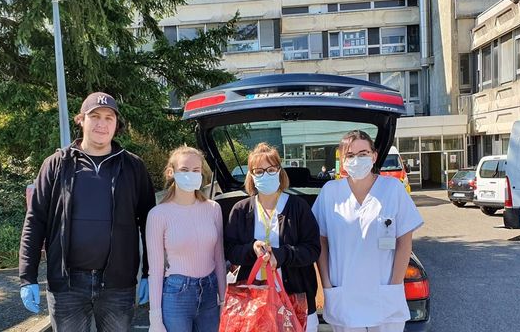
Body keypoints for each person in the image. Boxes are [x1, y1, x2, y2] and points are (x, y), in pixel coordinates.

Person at [19, 92, 156, 331]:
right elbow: (35, 220)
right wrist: (27, 277)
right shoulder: (56, 164)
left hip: (118, 284)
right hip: (67, 285)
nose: (102, 124)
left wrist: (149, 272)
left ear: (116, 124)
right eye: (95, 116)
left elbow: (149, 222)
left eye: (109, 118)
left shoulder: (133, 166)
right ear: (81, 120)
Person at [312, 130, 424, 332]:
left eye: (363, 153)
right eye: (350, 155)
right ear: (342, 160)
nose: (357, 159)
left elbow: (404, 243)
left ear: (374, 156)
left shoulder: (393, 189)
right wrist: (326, 285)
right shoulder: (330, 192)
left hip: (383, 294)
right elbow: (320, 243)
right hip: (343, 294)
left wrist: (394, 285)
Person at [225, 143, 321, 332]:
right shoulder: (241, 210)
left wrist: (281, 255)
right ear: (251, 175)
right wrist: (251, 250)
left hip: (295, 299)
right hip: (255, 302)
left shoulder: (298, 207)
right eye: (258, 171)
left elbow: (312, 249)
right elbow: (230, 250)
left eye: (270, 169)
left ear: (279, 171)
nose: (265, 175)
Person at [146, 145, 226, 332]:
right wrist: (155, 318)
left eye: (196, 170)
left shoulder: (213, 209)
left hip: (209, 291)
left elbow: (219, 259)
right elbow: (156, 270)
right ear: (171, 172)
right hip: (176, 294)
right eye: (184, 169)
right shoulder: (158, 214)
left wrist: (224, 301)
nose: (191, 174)